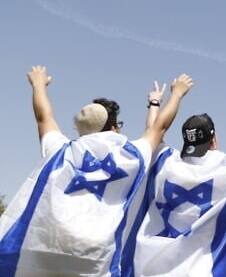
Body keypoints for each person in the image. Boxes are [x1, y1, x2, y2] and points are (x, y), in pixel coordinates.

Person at [0, 66, 193, 277]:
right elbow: (160, 127)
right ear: (113, 127)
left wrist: (38, 85)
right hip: (96, 255)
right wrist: (176, 93)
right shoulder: (130, 156)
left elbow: (43, 117)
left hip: (47, 247)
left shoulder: (60, 151)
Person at [127, 95, 226, 276]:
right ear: (213, 140)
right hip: (205, 270)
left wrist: (154, 104)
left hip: (154, 267)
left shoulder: (164, 162)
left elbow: (153, 132)